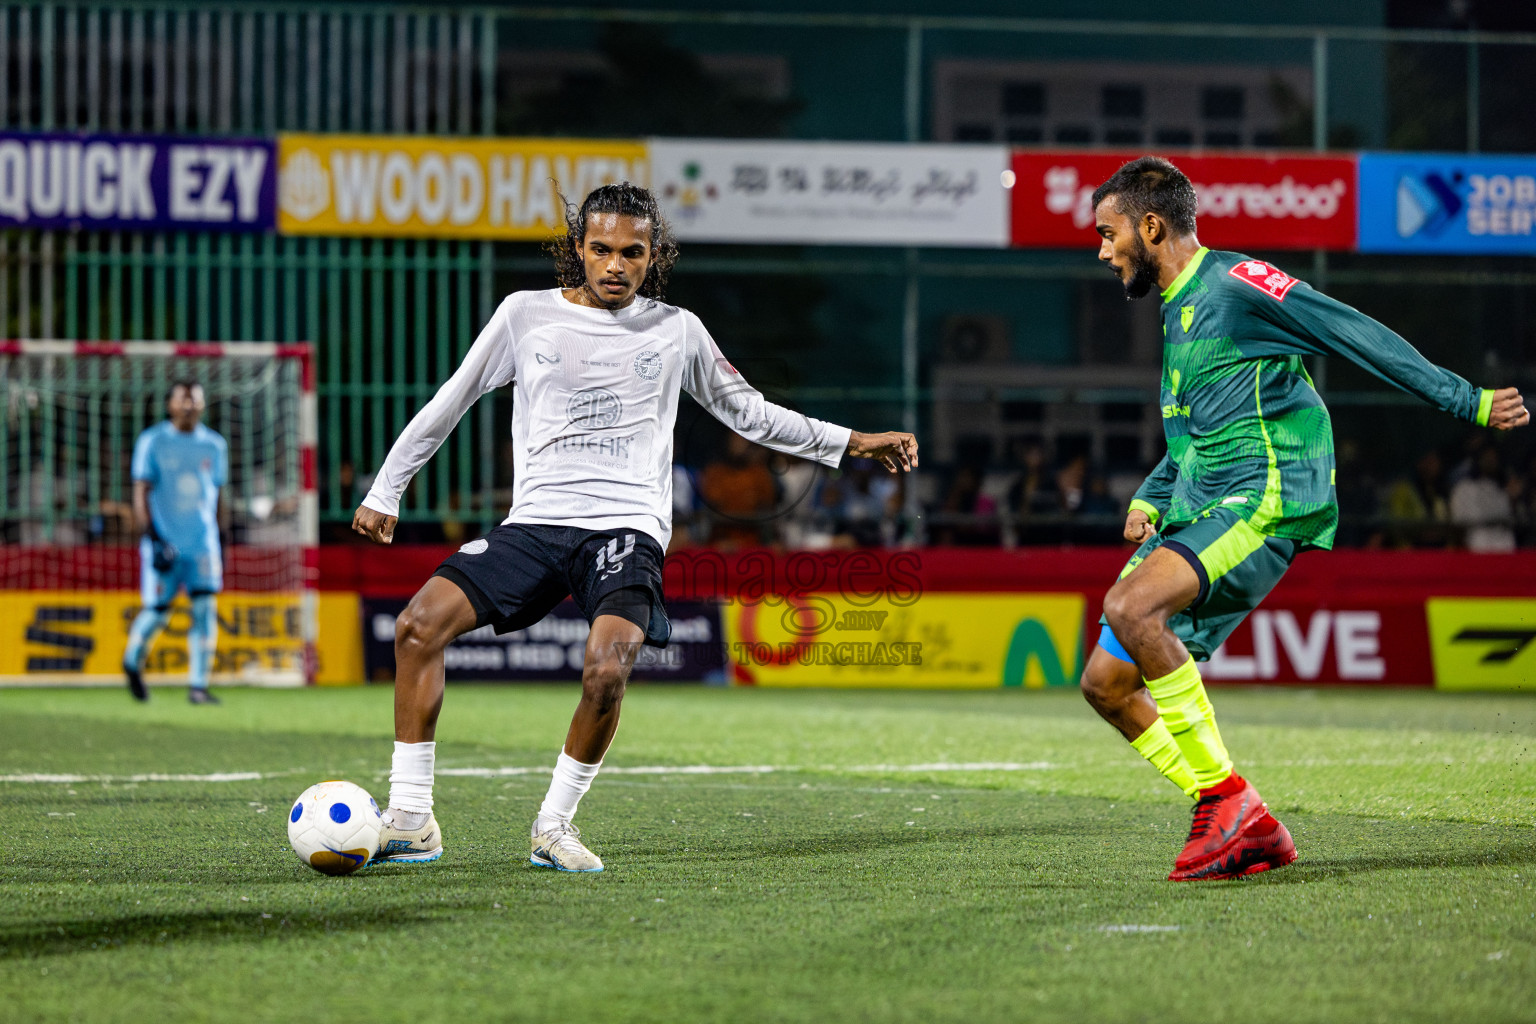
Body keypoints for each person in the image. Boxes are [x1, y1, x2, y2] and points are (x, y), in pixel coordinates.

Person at [351, 183, 918, 872]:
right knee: (416, 627)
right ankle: (411, 818)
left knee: (607, 670)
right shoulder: (524, 316)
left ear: (654, 257)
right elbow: (452, 399)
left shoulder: (676, 329)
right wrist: (387, 488)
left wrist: (854, 440)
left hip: (624, 529)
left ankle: (554, 826)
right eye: (601, 250)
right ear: (576, 251)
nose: (615, 265)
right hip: (534, 525)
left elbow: (752, 413)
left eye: (632, 253)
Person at [1081, 156, 1528, 882]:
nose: (1102, 250)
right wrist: (1152, 495)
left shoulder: (1236, 285)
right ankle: (1240, 819)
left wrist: (1464, 400)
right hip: (1203, 499)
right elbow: (1197, 432)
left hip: (1266, 492)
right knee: (1106, 683)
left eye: (1108, 233)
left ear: (1151, 225)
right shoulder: (1179, 309)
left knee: (1131, 607)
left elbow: (1349, 330)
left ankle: (1227, 805)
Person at [123, 380, 229, 705]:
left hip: (202, 544)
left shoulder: (214, 444)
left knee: (204, 609)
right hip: (164, 542)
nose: (190, 406)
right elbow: (140, 491)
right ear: (170, 405)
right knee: (157, 613)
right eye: (184, 400)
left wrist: (221, 534)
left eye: (195, 400)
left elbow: (219, 494)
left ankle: (198, 686)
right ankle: (131, 662)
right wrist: (152, 537)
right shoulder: (153, 441)